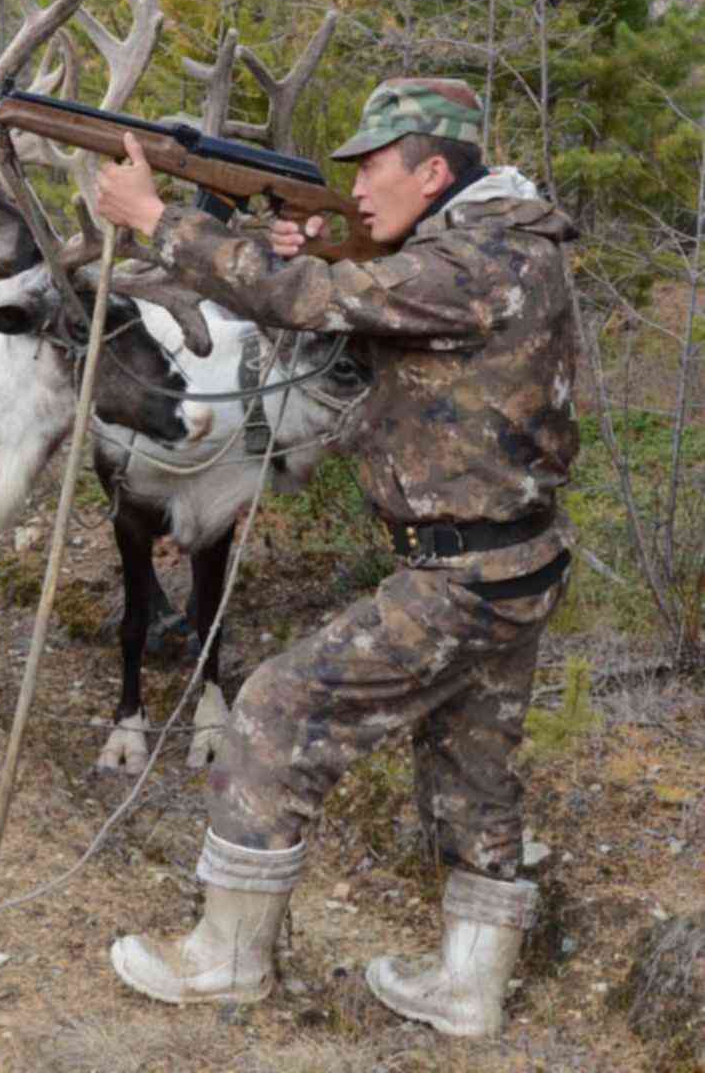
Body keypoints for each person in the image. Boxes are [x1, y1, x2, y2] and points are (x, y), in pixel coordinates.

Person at [93, 78, 579, 1038]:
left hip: (461, 576)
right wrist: (309, 254)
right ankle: (468, 988)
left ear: (434, 170)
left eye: (371, 167)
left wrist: (157, 220)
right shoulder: (494, 245)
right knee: (474, 771)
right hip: (509, 561)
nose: (354, 185)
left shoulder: (480, 259)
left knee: (273, 712)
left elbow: (315, 299)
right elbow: (341, 305)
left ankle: (227, 960)